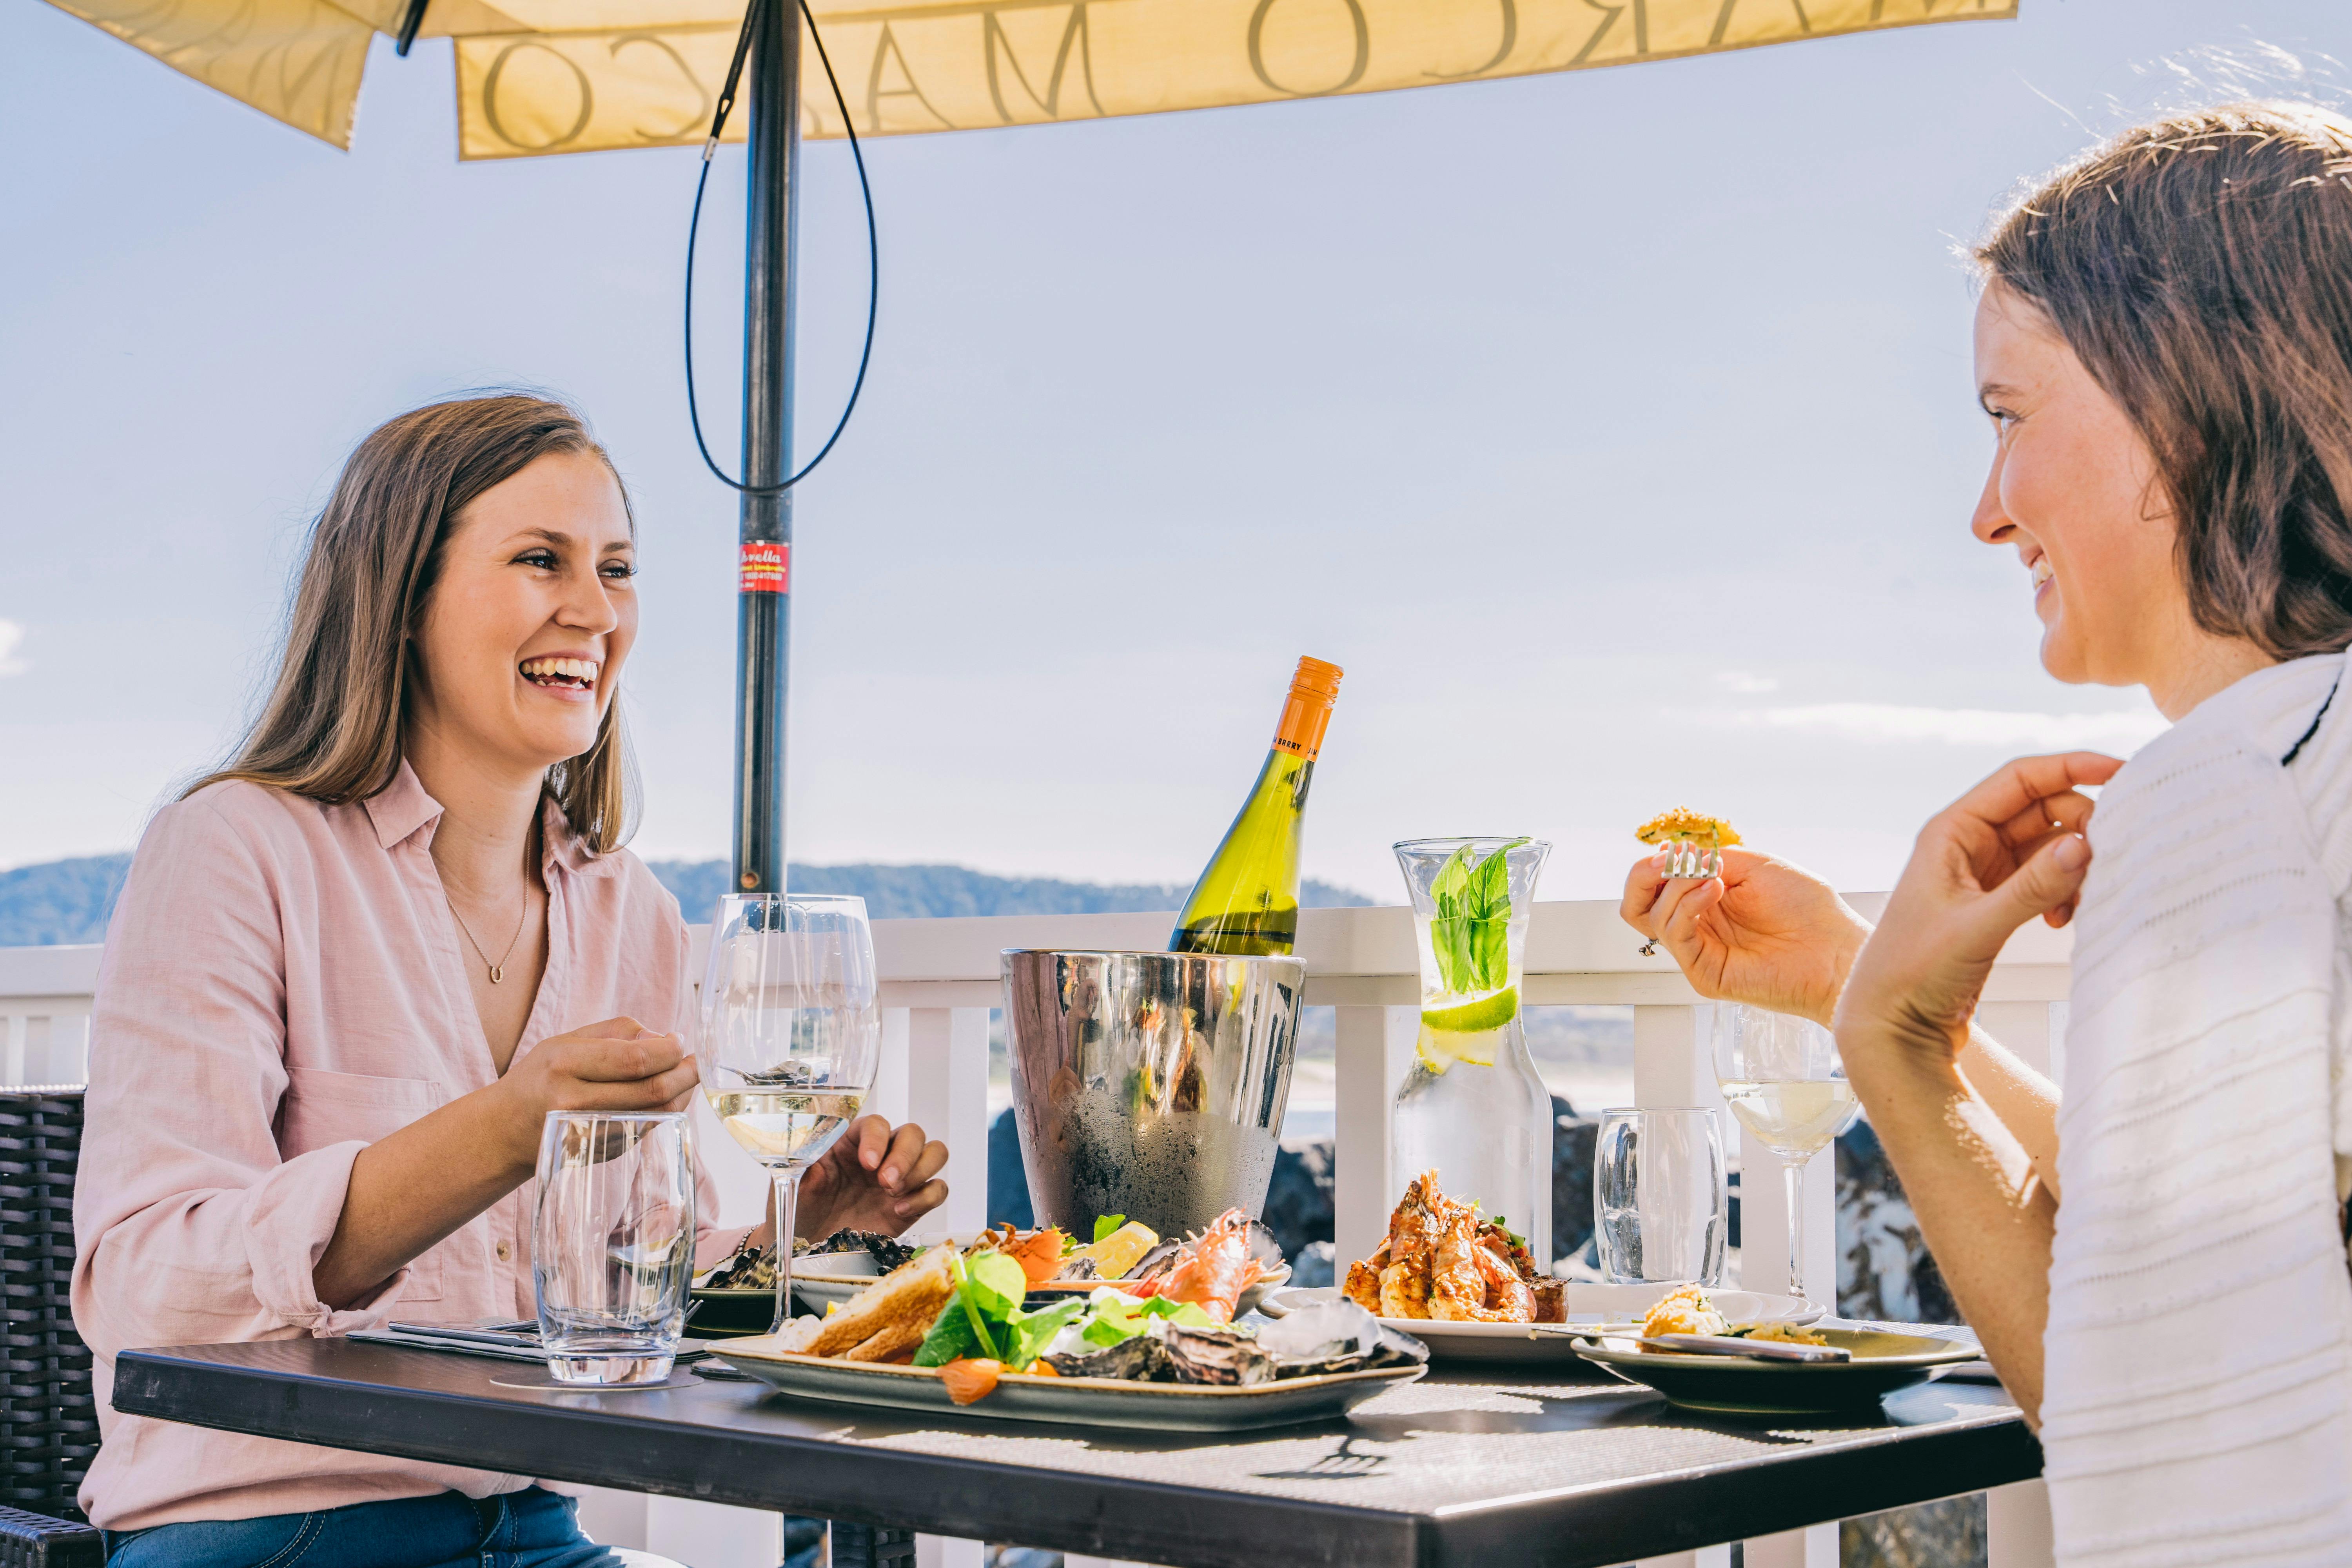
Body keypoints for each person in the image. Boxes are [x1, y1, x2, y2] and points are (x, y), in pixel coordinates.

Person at [1624, 103, 2352, 1566]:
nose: (1984, 514)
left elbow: (2178, 1455)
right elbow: (2239, 1245)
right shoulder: (2314, 762)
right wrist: (1858, 980)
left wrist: (1895, 1046)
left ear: (2181, 400)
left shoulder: (2233, 795)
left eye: (2008, 417)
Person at [72, 394, 951, 1565]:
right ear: (401, 596)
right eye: (542, 559)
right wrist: (498, 1131)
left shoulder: (631, 913)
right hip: (272, 1532)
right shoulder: (235, 849)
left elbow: (635, 1280)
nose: (596, 611)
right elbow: (145, 1288)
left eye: (617, 569)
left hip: (535, 1530)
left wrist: (808, 1233)